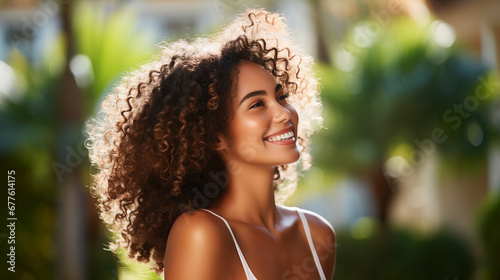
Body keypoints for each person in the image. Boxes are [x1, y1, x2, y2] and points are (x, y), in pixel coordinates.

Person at [87, 8, 336, 280]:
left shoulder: (316, 233)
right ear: (215, 135)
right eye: (256, 104)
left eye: (282, 96)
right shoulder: (200, 232)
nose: (283, 113)